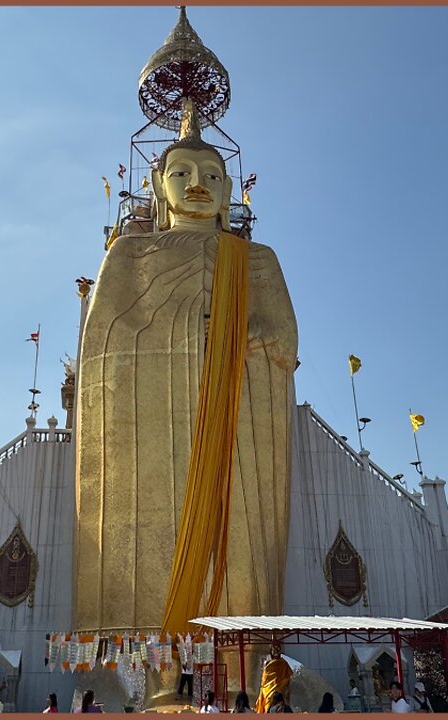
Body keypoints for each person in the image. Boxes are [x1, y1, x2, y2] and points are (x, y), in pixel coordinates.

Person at [72, 62, 299, 655]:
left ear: (228, 191)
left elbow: (283, 340)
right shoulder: (128, 254)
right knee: (148, 549)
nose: (196, 182)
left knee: (242, 546)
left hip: (235, 432)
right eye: (180, 172)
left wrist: (248, 341)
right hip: (151, 437)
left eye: (210, 174)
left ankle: (248, 664)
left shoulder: (257, 260)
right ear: (157, 188)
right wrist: (184, 334)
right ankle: (148, 671)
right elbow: (103, 349)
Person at [256, 646, 294, 713]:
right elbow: (288, 678)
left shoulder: (269, 664)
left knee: (267, 707)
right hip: (279, 689)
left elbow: (264, 680)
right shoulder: (283, 663)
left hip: (268, 690)